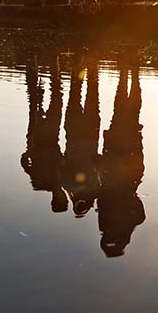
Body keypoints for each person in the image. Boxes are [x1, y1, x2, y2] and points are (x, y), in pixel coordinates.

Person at [97, 62, 145, 257]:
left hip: (128, 164)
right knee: (122, 113)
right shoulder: (108, 221)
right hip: (120, 159)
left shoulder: (127, 222)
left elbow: (140, 212)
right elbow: (102, 194)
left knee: (129, 114)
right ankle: (128, 73)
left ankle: (130, 74)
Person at [20, 62, 67, 212]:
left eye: (62, 199)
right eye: (64, 198)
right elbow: (24, 162)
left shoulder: (39, 182)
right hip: (52, 137)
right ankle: (54, 66)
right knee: (56, 100)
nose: (63, 196)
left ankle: (35, 67)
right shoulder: (63, 180)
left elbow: (24, 162)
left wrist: (30, 150)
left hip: (39, 138)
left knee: (38, 102)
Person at [62, 57, 101, 216]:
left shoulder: (94, 188)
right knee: (76, 92)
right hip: (74, 133)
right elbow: (62, 163)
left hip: (88, 135)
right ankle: (80, 63)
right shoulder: (67, 185)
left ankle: (90, 64)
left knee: (91, 93)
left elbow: (99, 163)